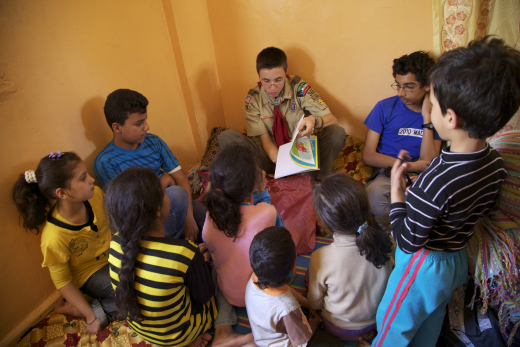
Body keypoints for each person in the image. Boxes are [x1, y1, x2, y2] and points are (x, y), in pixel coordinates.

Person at [362, 37, 520, 347]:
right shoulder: (495, 162)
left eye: (430, 104)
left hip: (423, 266)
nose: (427, 112)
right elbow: (480, 209)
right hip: (454, 261)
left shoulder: (435, 180)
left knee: (394, 323)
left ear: (449, 118)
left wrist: (398, 194)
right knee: (430, 322)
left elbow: (408, 241)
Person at [106, 167, 252, 347]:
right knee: (220, 262)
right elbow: (204, 297)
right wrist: (205, 264)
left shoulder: (115, 242)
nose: (169, 196)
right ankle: (220, 332)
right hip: (181, 333)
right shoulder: (184, 253)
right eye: (164, 193)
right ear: (158, 210)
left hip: (144, 331)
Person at [12, 151, 115, 333]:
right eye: (83, 178)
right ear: (62, 193)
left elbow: (115, 221)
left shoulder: (96, 195)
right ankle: (88, 309)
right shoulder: (54, 237)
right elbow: (63, 281)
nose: (91, 180)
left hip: (115, 252)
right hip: (91, 273)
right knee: (137, 296)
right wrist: (90, 317)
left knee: (150, 277)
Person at [218, 47, 347, 181]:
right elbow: (266, 141)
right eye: (266, 81)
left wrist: (314, 120)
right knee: (225, 137)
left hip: (301, 150)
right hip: (271, 156)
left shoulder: (299, 87)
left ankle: (320, 180)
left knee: (337, 132)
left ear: (286, 73)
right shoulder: (253, 100)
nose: (272, 87)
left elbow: (332, 119)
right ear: (259, 76)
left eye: (278, 80)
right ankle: (259, 180)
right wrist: (281, 162)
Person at [94, 89, 205, 241]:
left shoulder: (154, 142)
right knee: (176, 194)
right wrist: (162, 182)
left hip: (173, 202)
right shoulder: (106, 162)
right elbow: (133, 207)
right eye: (139, 123)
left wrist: (189, 218)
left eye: (145, 120)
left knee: (209, 218)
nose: (146, 127)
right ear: (117, 128)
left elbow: (181, 179)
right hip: (148, 219)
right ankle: (173, 246)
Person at [307, 173, 393, 341]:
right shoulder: (388, 241)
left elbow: (314, 303)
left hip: (338, 327)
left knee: (311, 277)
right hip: (376, 321)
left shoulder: (320, 258)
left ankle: (351, 338)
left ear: (324, 223)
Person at [202, 144, 284, 308]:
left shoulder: (211, 216)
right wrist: (261, 191)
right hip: (262, 297)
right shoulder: (268, 213)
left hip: (230, 294)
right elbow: (282, 242)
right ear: (254, 182)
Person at [363, 51, 442, 218]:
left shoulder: (436, 114)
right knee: (373, 198)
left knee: (437, 202)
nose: (401, 93)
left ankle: (411, 227)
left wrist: (427, 118)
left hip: (421, 177)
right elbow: (369, 155)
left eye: (409, 87)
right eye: (398, 85)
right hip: (388, 174)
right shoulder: (384, 107)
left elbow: (429, 161)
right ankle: (410, 228)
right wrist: (407, 166)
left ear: (427, 85)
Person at [246, 226, 343, 347]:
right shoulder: (287, 307)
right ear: (293, 268)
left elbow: (286, 291)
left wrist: (309, 305)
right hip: (287, 342)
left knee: (308, 301)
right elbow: (302, 338)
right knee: (336, 344)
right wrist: (313, 323)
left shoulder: (257, 276)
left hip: (266, 329)